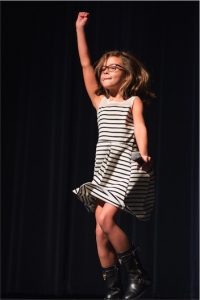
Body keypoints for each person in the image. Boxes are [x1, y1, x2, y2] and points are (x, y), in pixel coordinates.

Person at [72, 11, 156, 300]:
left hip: (127, 165)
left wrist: (144, 153)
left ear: (127, 74)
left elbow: (141, 127)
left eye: (113, 67)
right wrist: (80, 29)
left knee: (107, 220)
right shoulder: (99, 100)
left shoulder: (132, 101)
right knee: (99, 231)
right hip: (104, 170)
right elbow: (85, 63)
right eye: (103, 68)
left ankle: (137, 273)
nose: (105, 71)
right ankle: (113, 288)